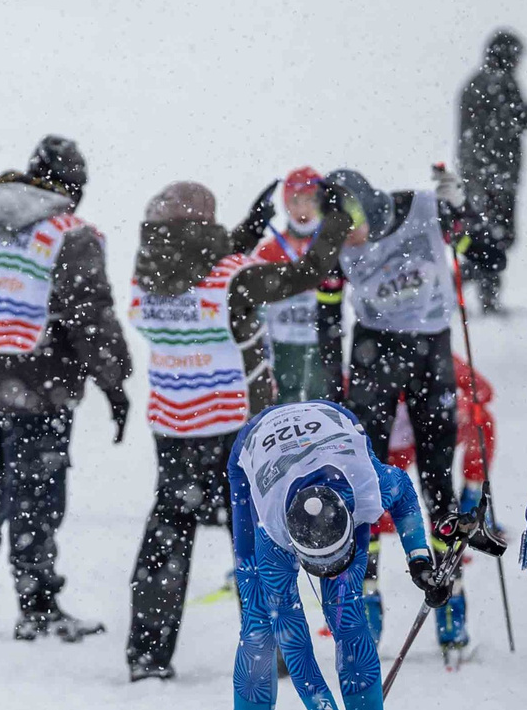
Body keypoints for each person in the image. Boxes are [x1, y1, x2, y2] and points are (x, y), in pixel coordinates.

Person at [122, 174, 350, 682]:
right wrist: (334, 219)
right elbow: (308, 272)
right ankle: (278, 650)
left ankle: (147, 654)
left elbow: (201, 273)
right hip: (232, 427)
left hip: (172, 424)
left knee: (167, 535)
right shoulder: (234, 278)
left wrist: (244, 232)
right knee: (253, 540)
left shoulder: (145, 277)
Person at [209, 399, 451, 710]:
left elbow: (406, 497)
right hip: (256, 455)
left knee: (346, 615)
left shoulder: (368, 485)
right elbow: (300, 658)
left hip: (333, 439)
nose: (321, 575)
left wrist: (419, 559)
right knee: (258, 628)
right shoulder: (272, 534)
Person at [0, 135, 131, 640]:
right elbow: (92, 320)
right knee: (37, 494)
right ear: (74, 186)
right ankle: (38, 605)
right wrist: (115, 383)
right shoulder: (72, 235)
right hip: (39, 382)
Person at [324, 166, 475, 634]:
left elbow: (472, 246)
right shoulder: (332, 242)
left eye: (350, 232)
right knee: (364, 475)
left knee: (437, 475)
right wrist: (333, 387)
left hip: (431, 348)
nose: (348, 245)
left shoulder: (422, 207)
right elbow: (326, 317)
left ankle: (451, 597)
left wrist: (461, 209)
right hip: (374, 350)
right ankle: (365, 597)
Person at [381, 352, 496, 665]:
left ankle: (469, 509)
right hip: (392, 449)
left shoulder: (433, 352)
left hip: (431, 439)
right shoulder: (377, 354)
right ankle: (364, 618)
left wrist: (460, 403)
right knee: (375, 516)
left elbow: (483, 390)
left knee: (482, 421)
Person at [455, 29, 527, 312]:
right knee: (498, 237)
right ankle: (472, 289)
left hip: (475, 175)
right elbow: (521, 118)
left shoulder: (473, 83)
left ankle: (467, 285)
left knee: (483, 236)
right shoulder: (502, 83)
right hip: (498, 175)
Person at [251, 168, 342, 405]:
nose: (302, 209)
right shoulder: (269, 250)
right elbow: (257, 304)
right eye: (294, 201)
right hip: (283, 345)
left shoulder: (334, 245)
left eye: (310, 200)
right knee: (284, 402)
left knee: (324, 402)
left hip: (324, 342)